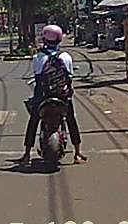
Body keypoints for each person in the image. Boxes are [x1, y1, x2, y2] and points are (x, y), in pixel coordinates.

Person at [18, 24, 86, 164]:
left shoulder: (38, 57)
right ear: (59, 39)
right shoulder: (66, 57)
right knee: (71, 119)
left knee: (34, 120)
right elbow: (70, 76)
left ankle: (27, 154)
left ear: (44, 39)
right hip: (62, 97)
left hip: (43, 97)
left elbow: (37, 76)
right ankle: (77, 153)